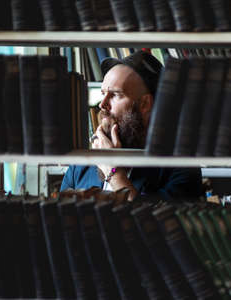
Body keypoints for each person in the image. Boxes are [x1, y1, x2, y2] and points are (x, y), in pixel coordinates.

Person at [60, 51, 203, 201]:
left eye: (115, 95)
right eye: (103, 94)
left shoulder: (181, 167)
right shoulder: (81, 165)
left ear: (145, 104)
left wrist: (113, 171)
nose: (102, 104)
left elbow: (154, 223)